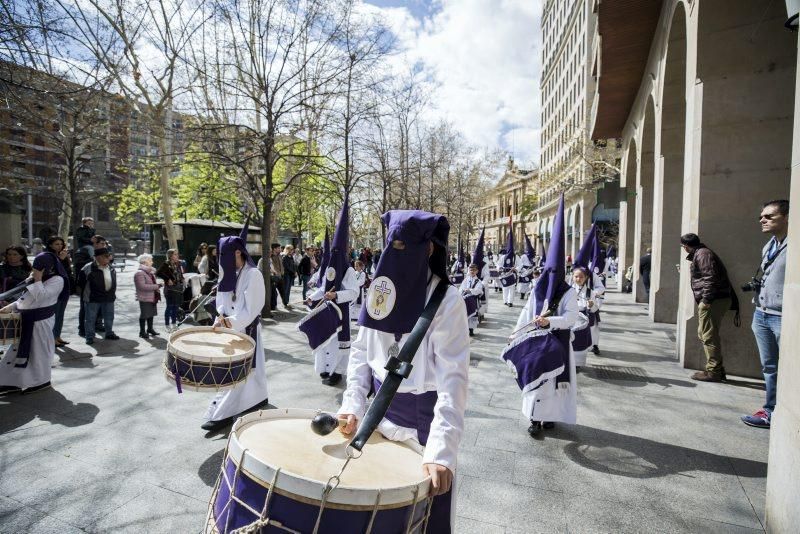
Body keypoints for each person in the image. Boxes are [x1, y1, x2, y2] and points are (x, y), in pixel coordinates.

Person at [338, 210, 469, 533]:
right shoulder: (378, 292)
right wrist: (353, 405)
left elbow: (454, 381)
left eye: (405, 245)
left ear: (428, 250)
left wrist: (441, 451)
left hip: (425, 428)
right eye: (391, 244)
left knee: (423, 520)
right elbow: (360, 353)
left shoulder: (448, 301)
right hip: (378, 423)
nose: (396, 251)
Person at [509, 195, 579, 437]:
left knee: (555, 383)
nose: (548, 277)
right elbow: (527, 312)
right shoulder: (537, 290)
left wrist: (551, 321)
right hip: (536, 342)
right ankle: (534, 419)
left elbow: (572, 318)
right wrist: (516, 334)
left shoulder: (568, 293)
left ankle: (551, 418)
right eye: (546, 272)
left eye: (553, 273)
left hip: (558, 343)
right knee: (536, 381)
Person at [201, 224, 269, 432]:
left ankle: (222, 412)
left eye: (225, 254)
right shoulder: (228, 271)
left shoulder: (253, 274)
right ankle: (258, 397)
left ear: (238, 252)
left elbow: (254, 306)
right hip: (230, 328)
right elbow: (222, 298)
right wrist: (220, 316)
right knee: (243, 371)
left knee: (237, 372)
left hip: (244, 328)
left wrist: (232, 321)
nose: (222, 259)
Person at [742, 200, 789, 429]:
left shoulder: (793, 245)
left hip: (782, 315)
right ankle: (770, 409)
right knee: (769, 366)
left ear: (788, 217)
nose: (763, 220)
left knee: (787, 368)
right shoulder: (769, 244)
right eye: (762, 216)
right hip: (761, 313)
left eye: (769, 216)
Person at [0, 251, 70, 395]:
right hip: (26, 319)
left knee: (38, 353)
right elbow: (25, 297)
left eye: (39, 266)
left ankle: (41, 381)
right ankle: (10, 382)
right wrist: (11, 306)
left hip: (40, 322)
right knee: (15, 352)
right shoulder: (37, 278)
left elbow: (41, 296)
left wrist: (37, 279)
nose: (36, 269)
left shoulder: (57, 280)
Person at [305, 198, 358, 386]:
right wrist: (311, 298)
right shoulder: (328, 268)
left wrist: (337, 295)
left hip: (339, 312)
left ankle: (336, 371)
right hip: (325, 310)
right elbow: (323, 288)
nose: (334, 256)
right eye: (332, 252)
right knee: (324, 341)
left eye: (338, 252)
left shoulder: (349, 271)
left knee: (336, 343)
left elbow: (354, 293)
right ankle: (324, 368)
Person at [681, 233, 739, 382]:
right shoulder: (701, 253)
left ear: (686, 246)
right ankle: (716, 369)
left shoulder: (703, 254)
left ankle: (714, 371)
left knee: (708, 335)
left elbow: (710, 277)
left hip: (713, 300)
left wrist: (706, 299)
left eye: (683, 247)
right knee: (705, 334)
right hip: (714, 299)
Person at [77, 247, 119, 345]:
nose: (109, 258)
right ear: (98, 257)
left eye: (108, 256)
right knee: (90, 318)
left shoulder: (111, 267)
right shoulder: (88, 267)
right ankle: (90, 337)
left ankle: (109, 333)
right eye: (106, 256)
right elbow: (80, 283)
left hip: (109, 297)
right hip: (93, 298)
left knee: (109, 317)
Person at [570, 267, 600, 368]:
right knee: (570, 342)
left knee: (580, 343)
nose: (578, 279)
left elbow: (595, 309)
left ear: (586, 278)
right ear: (572, 277)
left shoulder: (589, 292)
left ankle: (578, 364)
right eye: (576, 276)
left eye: (581, 277)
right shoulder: (568, 290)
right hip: (571, 319)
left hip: (582, 322)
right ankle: (569, 362)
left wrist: (591, 305)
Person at [46, 237, 72, 347]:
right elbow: (51, 271)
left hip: (64, 288)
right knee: (54, 314)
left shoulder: (63, 256)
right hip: (53, 289)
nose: (59, 246)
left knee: (61, 314)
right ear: (51, 245)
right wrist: (60, 259)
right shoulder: (48, 256)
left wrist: (66, 259)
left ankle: (57, 336)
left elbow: (67, 272)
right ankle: (51, 338)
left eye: (61, 244)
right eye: (56, 244)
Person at [156, 249, 185, 333]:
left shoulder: (178, 264)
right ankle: (167, 325)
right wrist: (167, 279)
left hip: (178, 289)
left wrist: (182, 279)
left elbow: (180, 274)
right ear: (170, 256)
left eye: (177, 254)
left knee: (176, 307)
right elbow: (158, 273)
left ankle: (174, 324)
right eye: (175, 254)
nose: (177, 256)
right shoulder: (166, 264)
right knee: (169, 307)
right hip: (170, 289)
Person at [134, 254, 162, 339]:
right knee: (144, 314)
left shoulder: (150, 272)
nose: (152, 262)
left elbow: (151, 283)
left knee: (151, 313)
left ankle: (150, 329)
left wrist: (156, 287)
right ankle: (142, 332)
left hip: (152, 296)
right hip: (145, 297)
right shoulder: (139, 273)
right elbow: (142, 286)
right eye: (150, 260)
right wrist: (157, 286)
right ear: (145, 262)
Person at [460, 264, 484, 336]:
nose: (472, 271)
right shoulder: (466, 279)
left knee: (473, 315)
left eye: (474, 270)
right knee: (464, 313)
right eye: (471, 270)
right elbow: (461, 288)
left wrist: (470, 290)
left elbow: (479, 290)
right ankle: (464, 328)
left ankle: (471, 329)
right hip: (465, 299)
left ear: (477, 271)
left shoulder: (478, 281)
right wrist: (461, 292)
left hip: (473, 300)